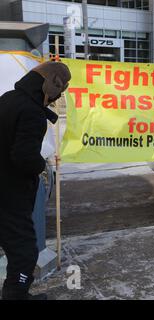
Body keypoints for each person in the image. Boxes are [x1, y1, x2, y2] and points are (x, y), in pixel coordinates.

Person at [0, 61, 71, 300]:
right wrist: (41, 166)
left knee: (16, 248)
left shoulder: (8, 98)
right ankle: (16, 296)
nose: (58, 97)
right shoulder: (31, 112)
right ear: (49, 85)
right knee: (24, 253)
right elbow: (24, 157)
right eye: (60, 91)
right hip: (11, 194)